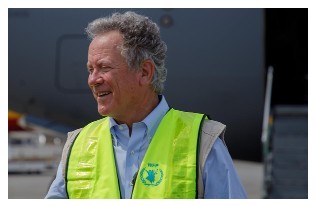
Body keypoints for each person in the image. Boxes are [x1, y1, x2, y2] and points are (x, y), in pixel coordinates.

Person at [45, 11, 247, 199]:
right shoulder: (78, 146)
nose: (93, 80)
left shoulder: (202, 143)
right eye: (90, 70)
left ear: (144, 72)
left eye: (104, 67)